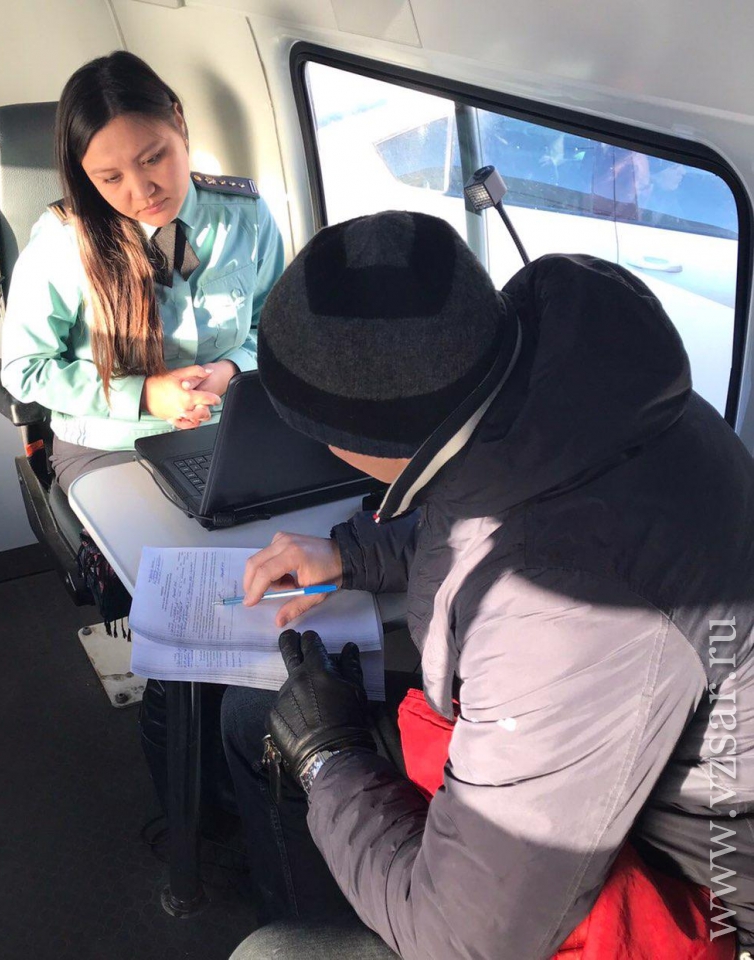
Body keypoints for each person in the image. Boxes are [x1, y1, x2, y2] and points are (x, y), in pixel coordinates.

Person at [222, 211, 753, 958]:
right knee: (251, 716)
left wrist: (327, 756)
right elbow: (489, 515)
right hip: (617, 766)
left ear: (352, 441)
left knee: (269, 951)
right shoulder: (563, 386)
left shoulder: (564, 613)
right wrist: (350, 555)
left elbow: (465, 938)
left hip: (696, 893)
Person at [0, 50, 284, 493]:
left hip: (228, 424)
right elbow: (26, 369)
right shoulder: (62, 243)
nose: (142, 191)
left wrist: (232, 369)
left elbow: (274, 330)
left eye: (152, 159)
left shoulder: (245, 216)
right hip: (112, 443)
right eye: (111, 178)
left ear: (179, 122)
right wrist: (145, 395)